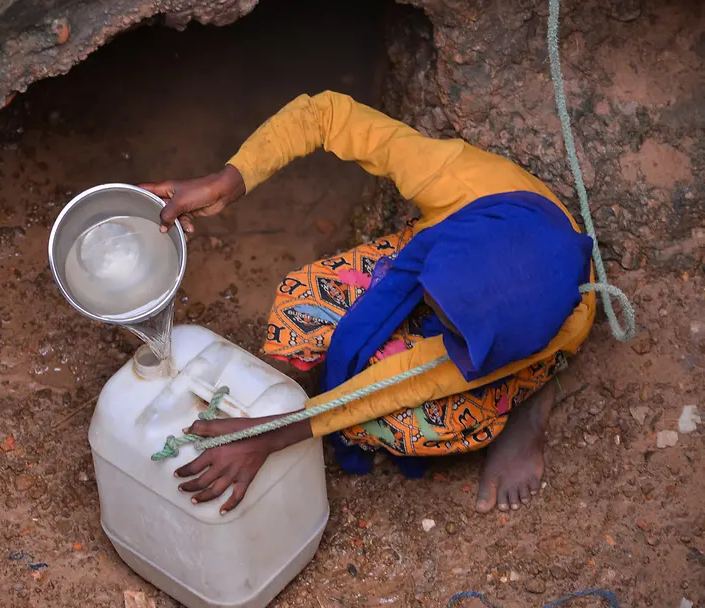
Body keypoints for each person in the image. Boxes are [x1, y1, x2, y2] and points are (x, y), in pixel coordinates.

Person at [140, 91, 596, 515]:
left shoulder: (536, 326)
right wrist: (229, 181)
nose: (429, 311)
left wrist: (275, 434)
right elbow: (327, 115)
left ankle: (531, 400)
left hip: (511, 330)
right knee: (300, 309)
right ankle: (337, 368)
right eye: (432, 296)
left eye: (445, 318)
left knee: (417, 425)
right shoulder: (458, 182)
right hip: (457, 251)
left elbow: (406, 384)